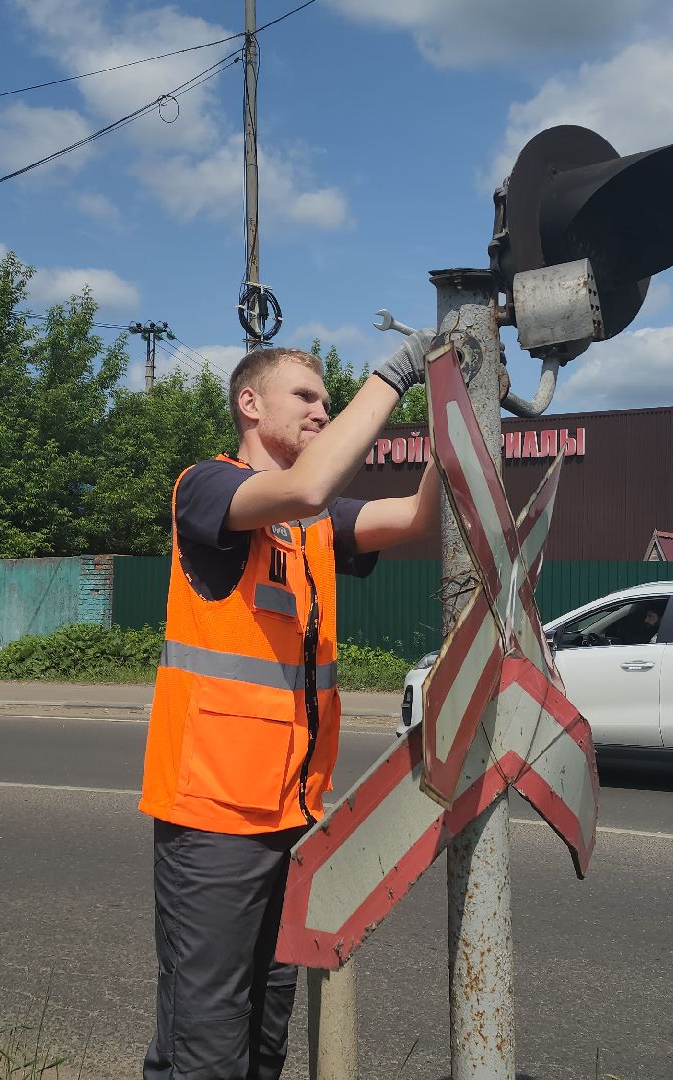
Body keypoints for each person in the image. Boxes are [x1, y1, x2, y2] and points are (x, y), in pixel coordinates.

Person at [140, 332, 442, 1080]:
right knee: (207, 1040)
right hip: (213, 819)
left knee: (265, 1035)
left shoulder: (316, 525)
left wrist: (453, 419)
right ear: (249, 404)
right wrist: (397, 373)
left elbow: (418, 517)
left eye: (327, 401)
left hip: (292, 817)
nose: (321, 410)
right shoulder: (206, 487)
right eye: (304, 396)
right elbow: (307, 486)